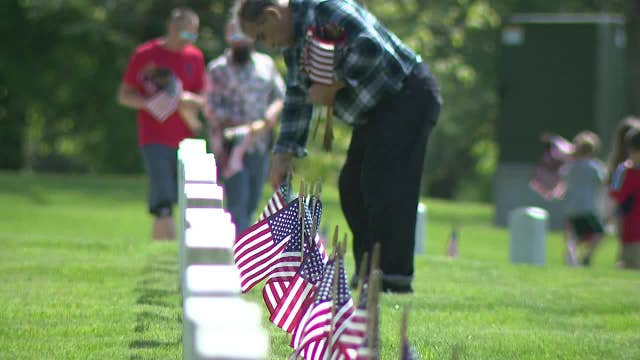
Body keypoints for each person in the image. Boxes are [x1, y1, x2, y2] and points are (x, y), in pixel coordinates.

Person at [234, 0, 442, 293]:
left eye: (261, 35)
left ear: (272, 14)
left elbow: (371, 49)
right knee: (353, 187)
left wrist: (336, 82)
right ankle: (371, 272)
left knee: (384, 186)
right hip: (377, 110)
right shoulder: (293, 44)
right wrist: (283, 153)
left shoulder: (325, 9)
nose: (265, 44)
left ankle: (393, 278)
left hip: (406, 95)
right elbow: (297, 96)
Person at [118, 8, 206, 240]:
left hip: (187, 140)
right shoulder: (145, 54)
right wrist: (151, 103)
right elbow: (124, 95)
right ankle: (167, 252)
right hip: (153, 137)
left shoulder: (195, 57)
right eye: (183, 34)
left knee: (186, 200)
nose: (187, 40)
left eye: (192, 35)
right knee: (163, 200)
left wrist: (185, 99)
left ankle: (164, 250)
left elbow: (203, 99)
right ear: (171, 29)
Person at [206, 20, 285, 235]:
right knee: (237, 201)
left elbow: (279, 96)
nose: (241, 41)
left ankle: (242, 243)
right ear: (228, 37)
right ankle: (238, 253)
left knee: (252, 202)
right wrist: (237, 124)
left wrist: (270, 115)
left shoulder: (266, 64)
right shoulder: (217, 69)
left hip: (260, 144)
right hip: (231, 147)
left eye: (245, 35)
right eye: (236, 36)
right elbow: (210, 107)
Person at [562, 131, 606, 266]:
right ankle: (587, 255)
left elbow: (564, 179)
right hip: (588, 207)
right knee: (599, 233)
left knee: (572, 237)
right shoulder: (595, 167)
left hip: (572, 207)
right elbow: (603, 181)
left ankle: (571, 259)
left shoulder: (570, 167)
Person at [609, 126, 640, 269]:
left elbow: (617, 195)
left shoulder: (631, 174)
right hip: (632, 231)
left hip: (632, 231)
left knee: (629, 266)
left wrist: (618, 175)